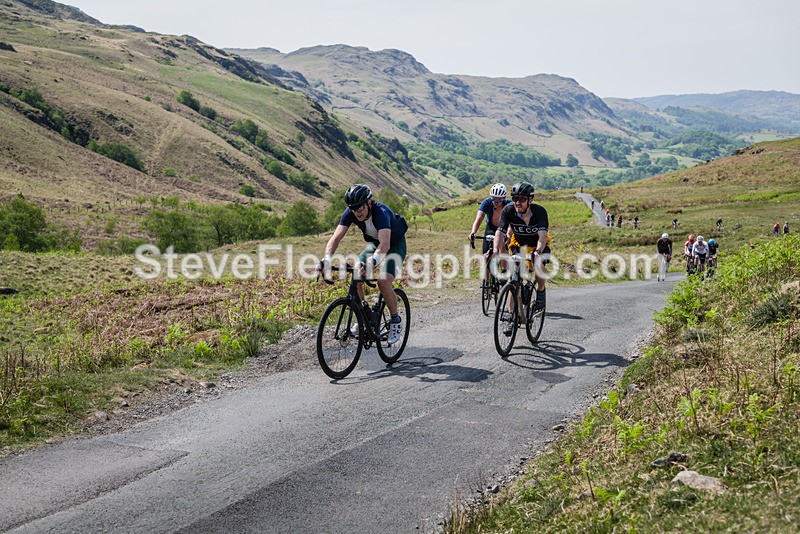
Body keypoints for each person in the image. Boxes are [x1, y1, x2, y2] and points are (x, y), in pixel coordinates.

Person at [321, 184, 408, 344]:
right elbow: (336, 238)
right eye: (353, 209)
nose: (357, 212)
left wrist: (371, 264)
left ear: (368, 203)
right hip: (376, 245)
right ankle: (366, 315)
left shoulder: (380, 212)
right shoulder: (351, 213)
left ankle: (395, 320)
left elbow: (385, 245)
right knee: (356, 272)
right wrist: (326, 259)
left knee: (383, 282)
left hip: (394, 246)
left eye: (360, 208)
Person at [494, 181, 549, 336]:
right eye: (515, 198)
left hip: (538, 244)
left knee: (538, 263)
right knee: (514, 278)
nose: (517, 202)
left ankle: (540, 293)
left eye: (522, 199)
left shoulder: (539, 212)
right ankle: (512, 317)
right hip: (519, 244)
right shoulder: (508, 210)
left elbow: (543, 236)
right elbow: (500, 232)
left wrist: (538, 251)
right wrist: (497, 250)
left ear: (530, 200)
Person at [469, 183, 511, 256]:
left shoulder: (509, 205)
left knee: (503, 248)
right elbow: (479, 218)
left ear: (504, 197)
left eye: (499, 200)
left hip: (504, 229)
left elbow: (511, 223)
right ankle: (487, 266)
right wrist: (473, 232)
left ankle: (505, 267)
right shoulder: (487, 202)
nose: (496, 202)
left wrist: (508, 234)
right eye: (494, 199)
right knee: (485, 254)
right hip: (491, 227)